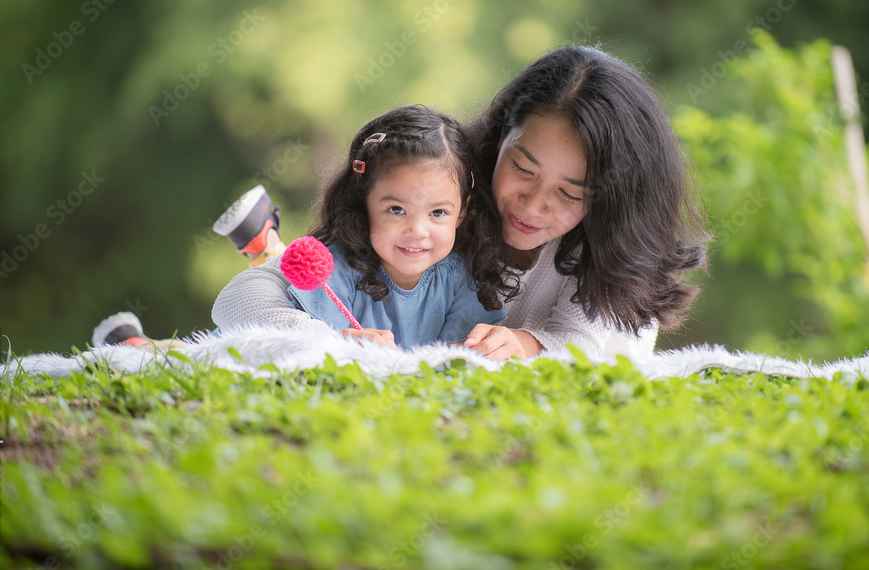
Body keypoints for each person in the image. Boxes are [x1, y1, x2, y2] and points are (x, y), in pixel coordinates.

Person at [210, 46, 709, 361]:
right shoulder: (436, 196)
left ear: (610, 197)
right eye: (523, 169)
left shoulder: (613, 258)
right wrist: (322, 337)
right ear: (502, 130)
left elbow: (588, 347)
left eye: (569, 193)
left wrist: (531, 344)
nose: (533, 206)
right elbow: (245, 299)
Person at [96, 105, 513, 352]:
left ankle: (265, 241)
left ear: (462, 212)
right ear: (363, 203)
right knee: (195, 355)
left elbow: (458, 360)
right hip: (258, 350)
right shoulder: (338, 264)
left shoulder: (463, 281)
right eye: (397, 209)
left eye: (438, 213)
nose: (417, 231)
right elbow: (230, 306)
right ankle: (133, 344)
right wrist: (330, 339)